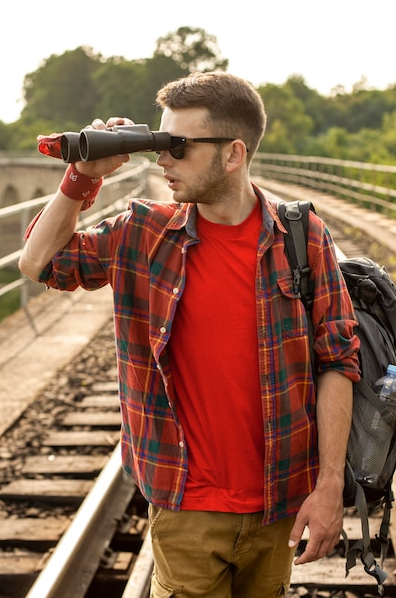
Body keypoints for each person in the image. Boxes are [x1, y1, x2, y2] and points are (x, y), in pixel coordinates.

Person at [19, 71, 360, 598]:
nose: (162, 159)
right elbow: (39, 261)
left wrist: (330, 485)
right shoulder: (144, 232)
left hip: (278, 506)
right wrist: (81, 178)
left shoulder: (302, 236)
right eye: (160, 142)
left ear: (233, 154)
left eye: (178, 146)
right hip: (186, 507)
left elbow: (337, 359)